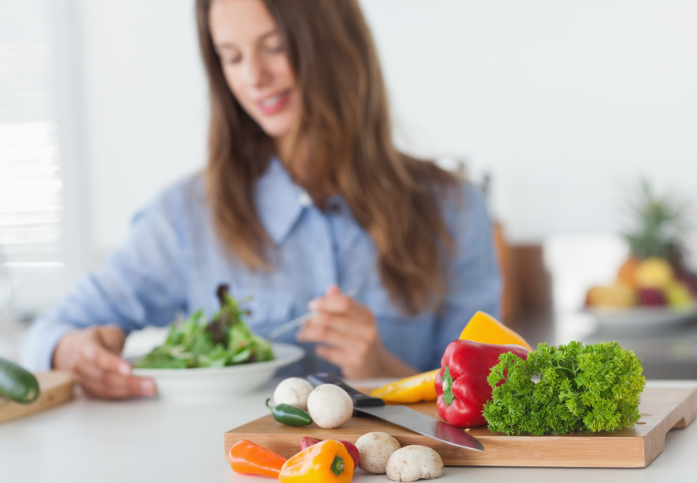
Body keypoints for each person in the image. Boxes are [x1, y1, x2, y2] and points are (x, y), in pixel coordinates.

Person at [21, 0, 500, 399]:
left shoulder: (453, 208)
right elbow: (52, 331)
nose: (254, 77)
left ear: (337, 44)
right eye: (231, 56)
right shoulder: (187, 215)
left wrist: (382, 369)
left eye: (274, 47)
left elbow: (490, 390)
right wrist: (74, 351)